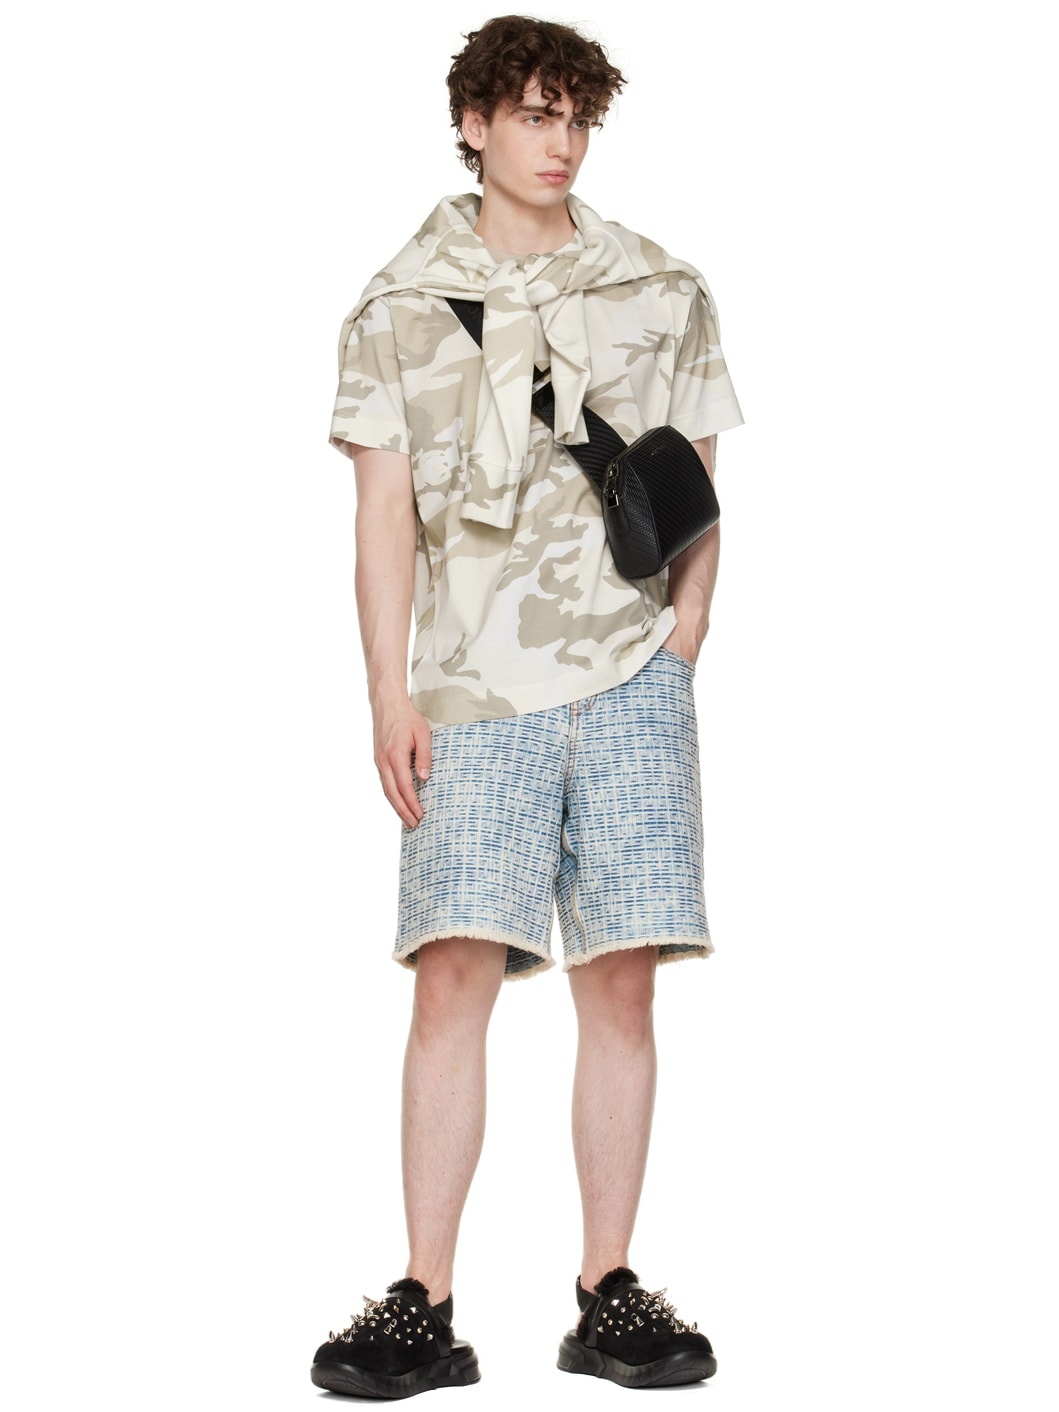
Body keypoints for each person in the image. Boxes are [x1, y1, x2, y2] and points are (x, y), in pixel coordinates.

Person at [311, 14, 743, 1399]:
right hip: (471, 681)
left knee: (622, 979)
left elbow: (694, 481)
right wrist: (388, 688)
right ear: (475, 124)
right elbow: (383, 517)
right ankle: (424, 1298)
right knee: (451, 975)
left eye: (579, 118)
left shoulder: (660, 286)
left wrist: (683, 637)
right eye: (536, 116)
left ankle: (608, 1288)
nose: (561, 144)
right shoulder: (397, 304)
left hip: (626, 676)